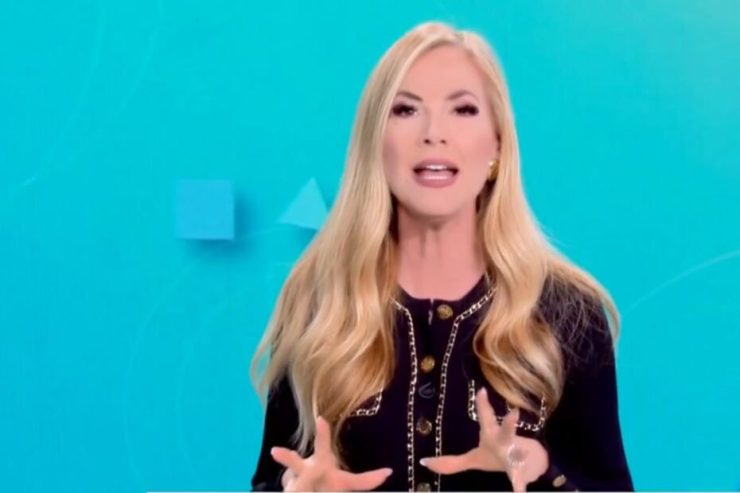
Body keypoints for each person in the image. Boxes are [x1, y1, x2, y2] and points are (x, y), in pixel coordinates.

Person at [250, 21, 634, 492]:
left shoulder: (567, 312)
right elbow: (270, 477)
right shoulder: (319, 300)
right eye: (406, 109)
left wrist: (540, 473)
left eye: (463, 109)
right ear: (376, 143)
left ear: (497, 145)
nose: (434, 133)